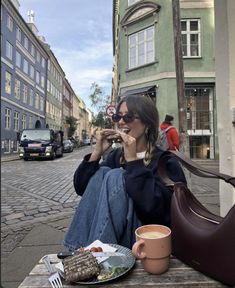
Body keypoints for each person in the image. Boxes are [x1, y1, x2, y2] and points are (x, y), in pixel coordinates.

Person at [63, 95, 186, 251]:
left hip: (146, 240)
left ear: (147, 123)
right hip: (117, 238)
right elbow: (82, 189)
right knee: (102, 172)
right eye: (117, 116)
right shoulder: (115, 156)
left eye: (128, 117)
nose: (121, 122)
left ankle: (97, 257)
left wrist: (133, 161)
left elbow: (161, 213)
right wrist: (97, 153)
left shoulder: (165, 162)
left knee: (116, 175)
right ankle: (77, 252)